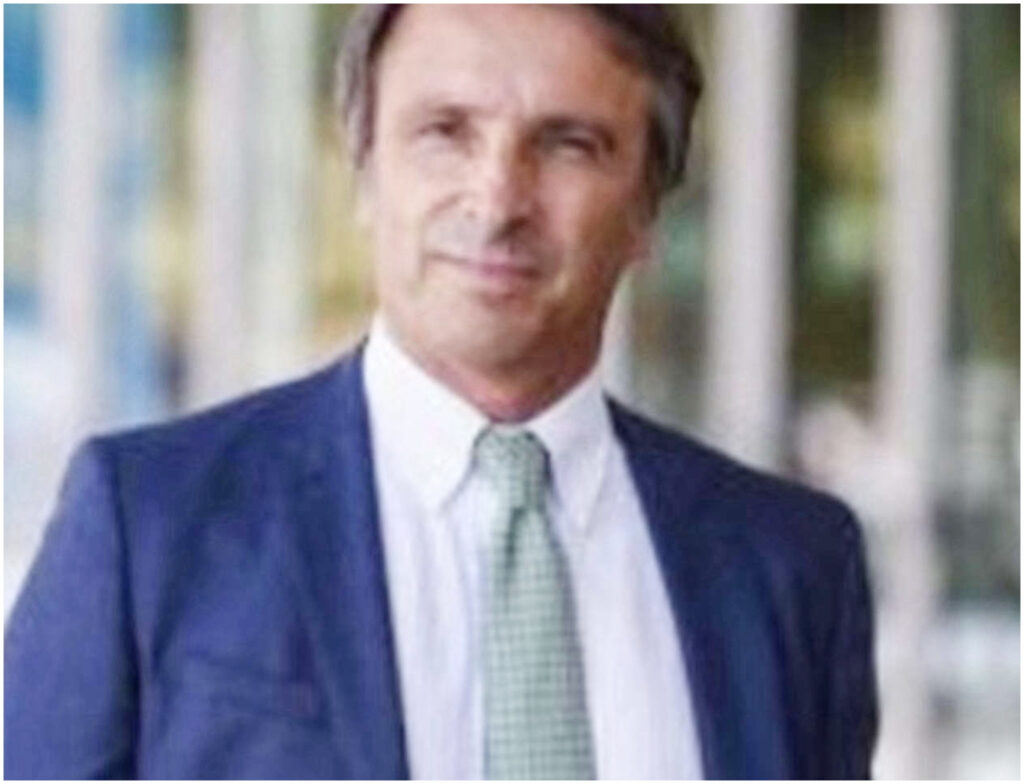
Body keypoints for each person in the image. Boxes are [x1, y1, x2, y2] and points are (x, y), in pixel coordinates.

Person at [5, 4, 877, 779]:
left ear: (646, 208)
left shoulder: (790, 569)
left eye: (567, 144)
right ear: (365, 170)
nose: (497, 200)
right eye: (445, 131)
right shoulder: (152, 525)